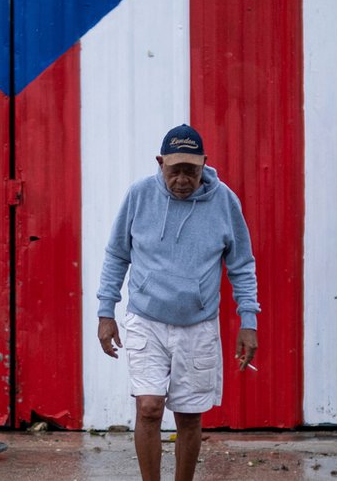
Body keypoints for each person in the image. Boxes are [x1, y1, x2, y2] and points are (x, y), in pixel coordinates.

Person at [96, 124, 259, 481]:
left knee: (188, 416)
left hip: (198, 325)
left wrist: (249, 321)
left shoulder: (225, 202)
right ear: (160, 163)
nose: (183, 179)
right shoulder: (139, 195)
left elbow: (242, 265)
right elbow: (116, 255)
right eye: (175, 170)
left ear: (204, 164)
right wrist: (105, 311)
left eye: (191, 170)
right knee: (149, 408)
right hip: (146, 320)